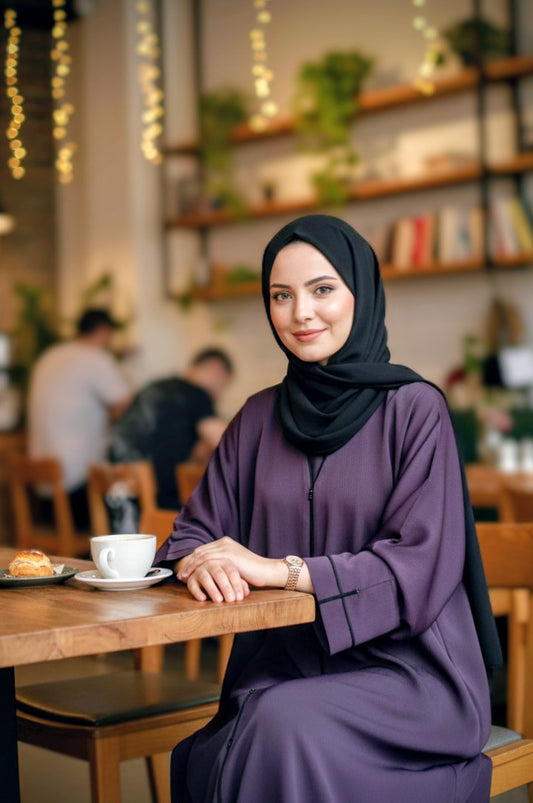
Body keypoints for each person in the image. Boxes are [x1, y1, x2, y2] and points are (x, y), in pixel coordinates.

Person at [155, 215, 502, 803]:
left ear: (359, 293)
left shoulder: (415, 410)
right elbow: (190, 536)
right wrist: (201, 562)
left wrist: (280, 570)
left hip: (411, 678)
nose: (301, 314)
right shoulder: (257, 419)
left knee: (276, 727)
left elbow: (414, 566)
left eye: (322, 290)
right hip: (286, 669)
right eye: (281, 296)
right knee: (222, 747)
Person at [28, 308, 131, 528]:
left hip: (41, 482)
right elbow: (125, 404)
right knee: (127, 496)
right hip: (75, 485)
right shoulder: (94, 357)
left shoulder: (49, 355)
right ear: (103, 332)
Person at [109, 348, 233, 509]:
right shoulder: (197, 393)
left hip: (120, 497)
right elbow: (224, 442)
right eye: (223, 385)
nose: (219, 394)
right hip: (160, 504)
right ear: (215, 370)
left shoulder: (154, 387)